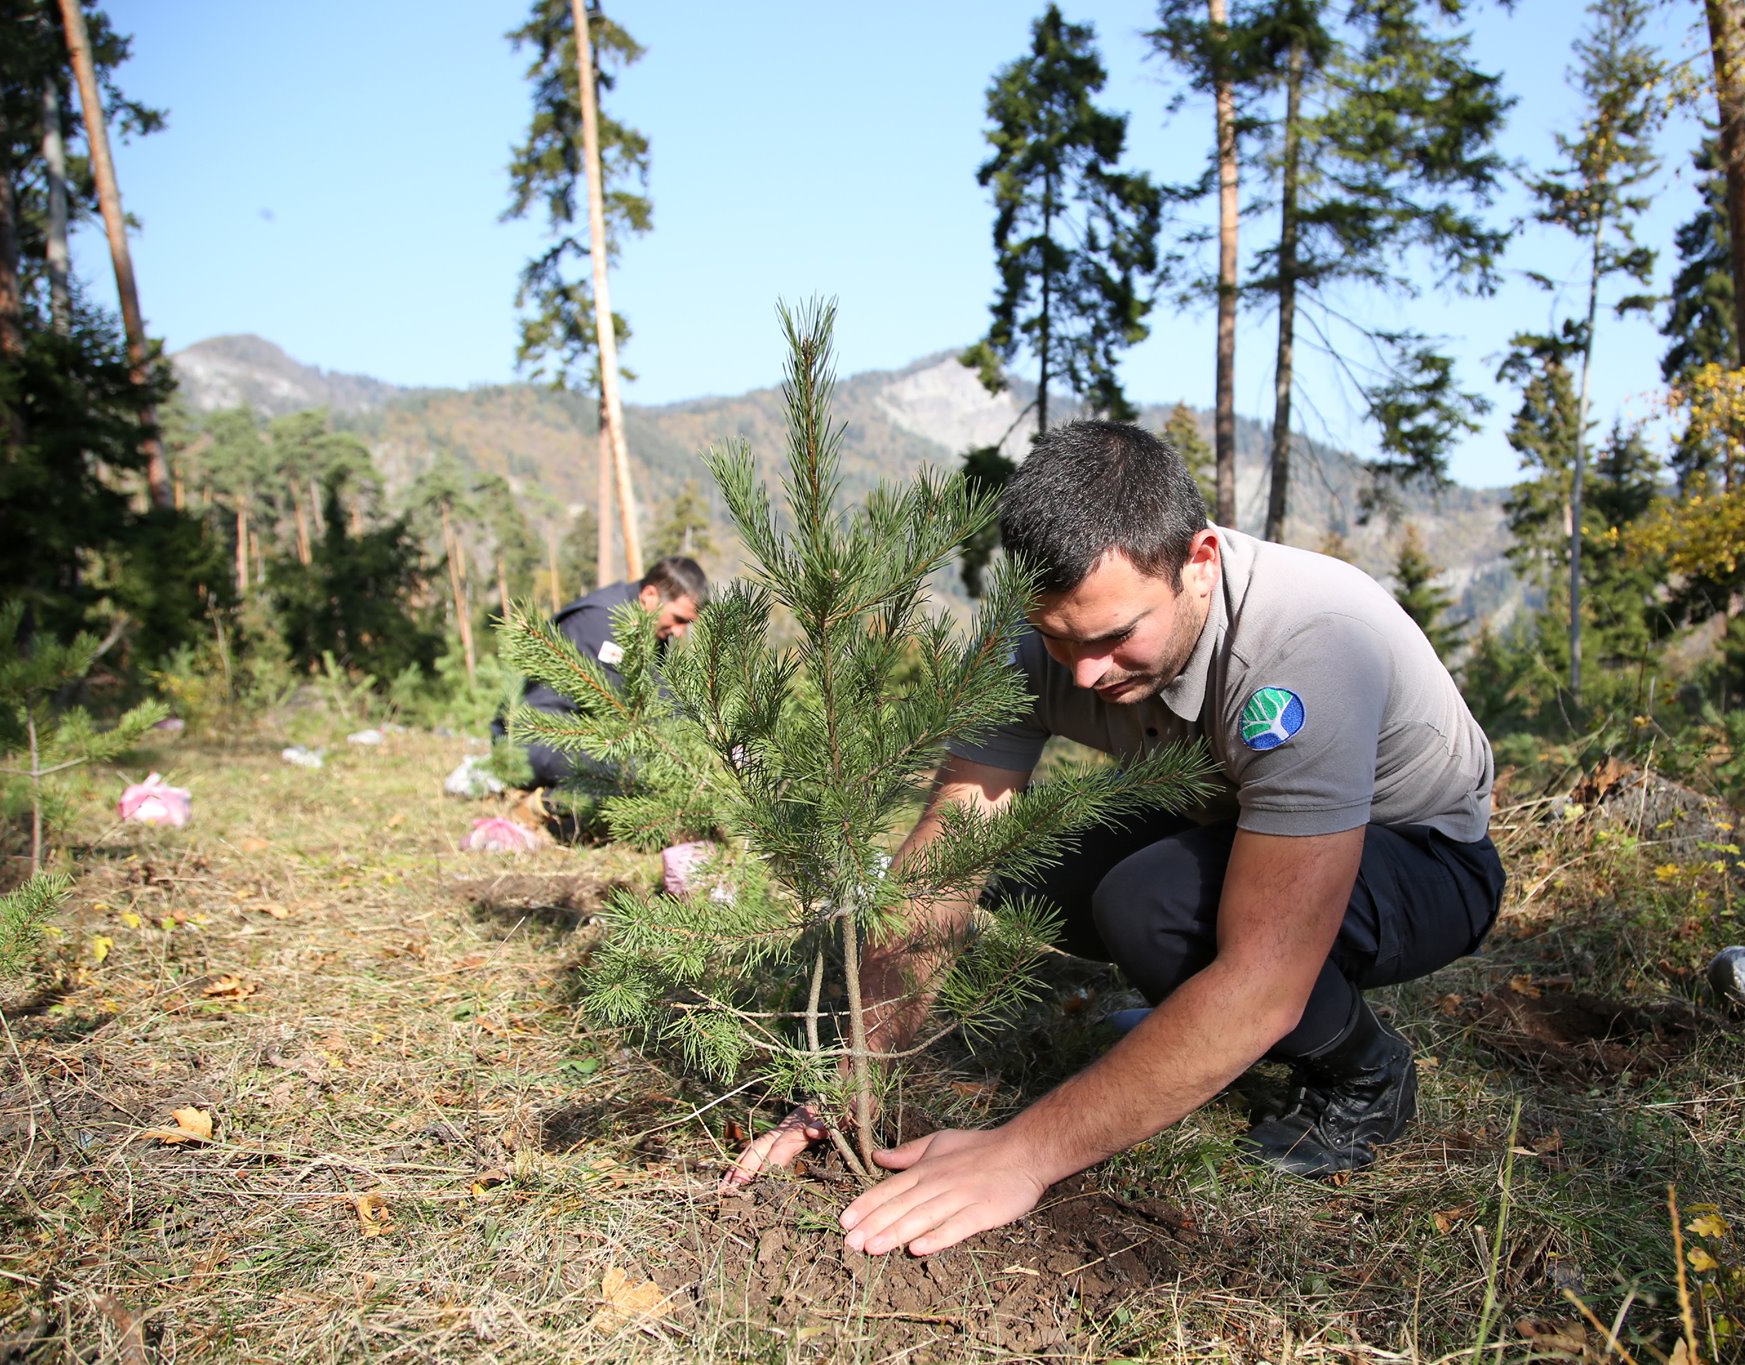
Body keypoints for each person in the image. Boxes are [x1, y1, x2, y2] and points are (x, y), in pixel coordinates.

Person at [727, 421, 1503, 1258]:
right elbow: (949, 859)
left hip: (1422, 857)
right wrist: (846, 1078)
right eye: (1058, 637)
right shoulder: (1044, 646)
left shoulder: (1305, 648)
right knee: (1032, 853)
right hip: (1238, 822)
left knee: (1152, 904)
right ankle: (1191, 1025)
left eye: (1111, 635)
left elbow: (1264, 978)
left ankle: (1365, 1074)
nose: (1084, 673)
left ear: (1198, 560)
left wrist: (1016, 1155)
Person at [504, 556, 708, 789]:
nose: (680, 632)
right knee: (633, 773)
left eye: (687, 624)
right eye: (678, 619)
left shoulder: (651, 631)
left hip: (588, 739)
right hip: (538, 739)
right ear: (650, 595)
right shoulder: (597, 622)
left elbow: (662, 700)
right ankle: (545, 807)